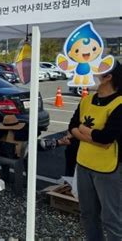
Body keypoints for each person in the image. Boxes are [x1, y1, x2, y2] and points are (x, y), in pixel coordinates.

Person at [68, 61, 122, 241]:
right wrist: (90, 135)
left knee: (112, 219)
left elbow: (107, 138)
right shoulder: (86, 100)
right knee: (87, 214)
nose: (90, 76)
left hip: (109, 169)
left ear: (108, 77)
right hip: (84, 163)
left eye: (95, 72)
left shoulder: (119, 103)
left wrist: (83, 130)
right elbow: (72, 127)